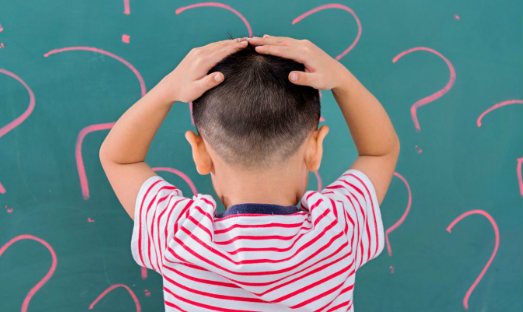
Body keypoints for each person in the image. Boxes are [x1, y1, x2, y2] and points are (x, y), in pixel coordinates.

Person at [99, 34, 400, 311]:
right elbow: (379, 152)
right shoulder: (338, 229)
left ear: (200, 153)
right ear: (316, 148)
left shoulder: (178, 236)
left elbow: (119, 160)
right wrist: (343, 81)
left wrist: (167, 89)